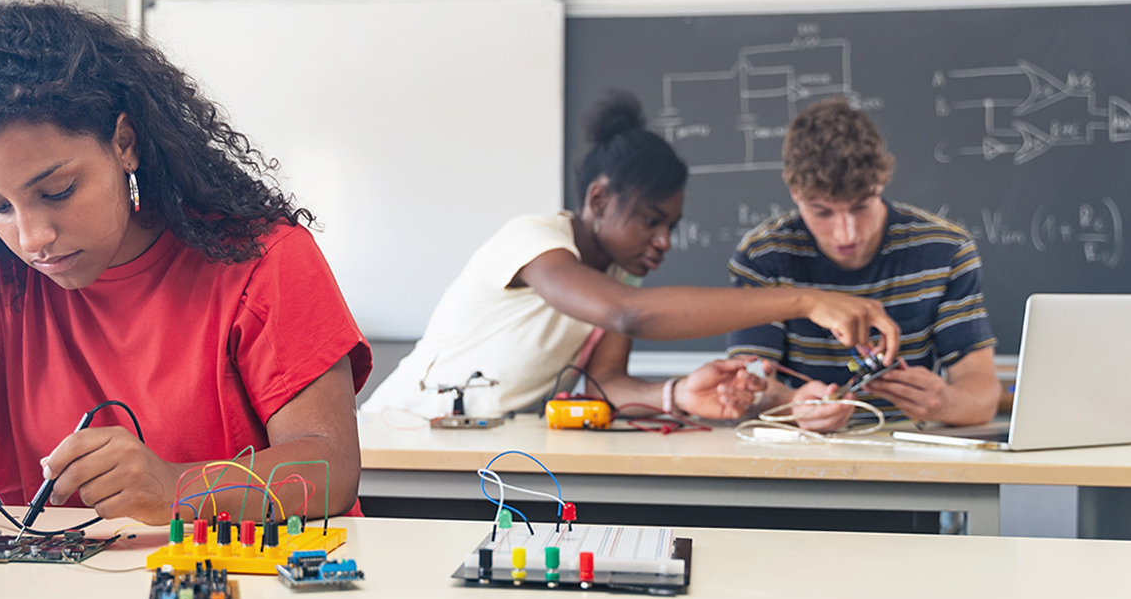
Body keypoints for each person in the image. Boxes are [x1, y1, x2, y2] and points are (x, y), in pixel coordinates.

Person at [0, 0, 370, 529]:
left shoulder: (261, 258)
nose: (33, 237)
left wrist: (176, 488)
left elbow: (330, 466)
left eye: (58, 190)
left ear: (125, 142)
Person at [362, 91, 899, 420]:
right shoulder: (533, 243)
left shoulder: (618, 277)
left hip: (478, 454)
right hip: (399, 438)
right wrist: (805, 300)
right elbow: (629, 314)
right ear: (598, 200)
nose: (664, 240)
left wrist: (680, 394)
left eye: (671, 225)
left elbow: (608, 384)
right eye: (651, 220)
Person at [727, 96, 999, 431]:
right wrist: (791, 405)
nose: (846, 234)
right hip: (796, 456)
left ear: (881, 184)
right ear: (794, 193)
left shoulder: (945, 250)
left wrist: (945, 402)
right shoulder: (763, 255)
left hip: (909, 453)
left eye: (861, 206)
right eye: (822, 212)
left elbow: (982, 391)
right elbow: (746, 389)